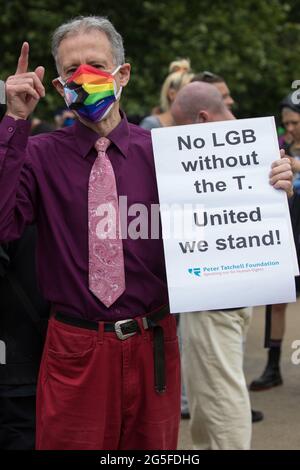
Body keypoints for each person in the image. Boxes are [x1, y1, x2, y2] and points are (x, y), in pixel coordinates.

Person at [0, 16, 292, 450]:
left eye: (95, 63)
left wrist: (269, 187)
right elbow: (4, 224)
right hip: (75, 347)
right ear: (59, 86)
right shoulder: (38, 154)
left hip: (152, 344)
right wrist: (14, 121)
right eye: (71, 70)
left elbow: (228, 221)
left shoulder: (167, 154)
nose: (84, 76)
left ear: (123, 73)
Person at [171, 81, 293, 450]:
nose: (177, 138)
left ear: (201, 119)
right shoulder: (259, 151)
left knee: (221, 406)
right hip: (228, 295)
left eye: (180, 128)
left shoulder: (253, 152)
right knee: (211, 405)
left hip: (212, 299)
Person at [250, 93, 300, 391]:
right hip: (287, 234)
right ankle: (273, 366)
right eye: (286, 123)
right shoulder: (280, 148)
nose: (290, 129)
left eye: (294, 122)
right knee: (276, 301)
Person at [140, 58, 194, 130]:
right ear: (172, 94)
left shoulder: (196, 124)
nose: (195, 96)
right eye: (188, 92)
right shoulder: (151, 125)